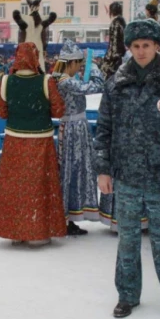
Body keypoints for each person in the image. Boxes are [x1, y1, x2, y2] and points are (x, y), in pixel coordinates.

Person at [94, 19, 160, 319]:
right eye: (136, 46)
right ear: (129, 48)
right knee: (127, 241)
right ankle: (127, 295)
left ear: (157, 46)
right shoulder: (116, 84)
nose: (141, 52)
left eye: (146, 46)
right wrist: (103, 169)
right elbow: (104, 129)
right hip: (125, 177)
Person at [0, 42, 67, 247]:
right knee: (39, 185)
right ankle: (38, 232)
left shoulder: (6, 81)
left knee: (15, 186)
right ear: (35, 58)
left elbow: (1, 112)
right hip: (40, 141)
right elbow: (58, 111)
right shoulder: (46, 81)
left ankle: (16, 231)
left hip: (14, 141)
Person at [54, 40, 105, 235]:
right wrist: (93, 67)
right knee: (71, 171)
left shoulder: (62, 79)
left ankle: (71, 215)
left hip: (76, 128)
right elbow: (96, 86)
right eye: (79, 63)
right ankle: (66, 217)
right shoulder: (66, 81)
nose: (80, 67)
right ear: (72, 62)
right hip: (73, 129)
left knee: (74, 171)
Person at [100, 2, 126, 79]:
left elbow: (114, 42)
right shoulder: (123, 22)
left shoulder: (115, 23)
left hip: (114, 58)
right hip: (121, 56)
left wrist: (110, 58)